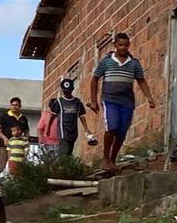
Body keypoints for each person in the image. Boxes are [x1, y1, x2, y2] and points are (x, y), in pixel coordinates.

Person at [89, 32, 156, 174]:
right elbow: (95, 79)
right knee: (111, 127)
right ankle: (105, 158)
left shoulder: (134, 63)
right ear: (115, 45)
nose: (123, 48)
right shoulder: (106, 61)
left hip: (127, 101)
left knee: (121, 131)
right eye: (120, 45)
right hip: (109, 100)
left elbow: (141, 80)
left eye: (126, 45)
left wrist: (149, 97)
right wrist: (94, 101)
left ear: (129, 45)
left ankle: (113, 159)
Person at [47, 79, 95, 156]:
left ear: (72, 90)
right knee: (63, 151)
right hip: (63, 131)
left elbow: (81, 116)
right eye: (65, 91)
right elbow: (53, 116)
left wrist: (86, 128)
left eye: (68, 91)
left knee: (69, 152)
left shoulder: (77, 102)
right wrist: (48, 127)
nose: (67, 93)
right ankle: (61, 166)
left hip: (73, 131)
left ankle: (66, 166)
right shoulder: (59, 102)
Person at [0, 96, 29, 187]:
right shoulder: (4, 116)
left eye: (16, 105)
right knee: (2, 165)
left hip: (18, 148)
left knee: (17, 167)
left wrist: (25, 141)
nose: (14, 107)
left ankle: (15, 186)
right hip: (5, 145)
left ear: (20, 106)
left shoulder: (23, 118)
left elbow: (27, 132)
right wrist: (4, 138)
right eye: (13, 105)